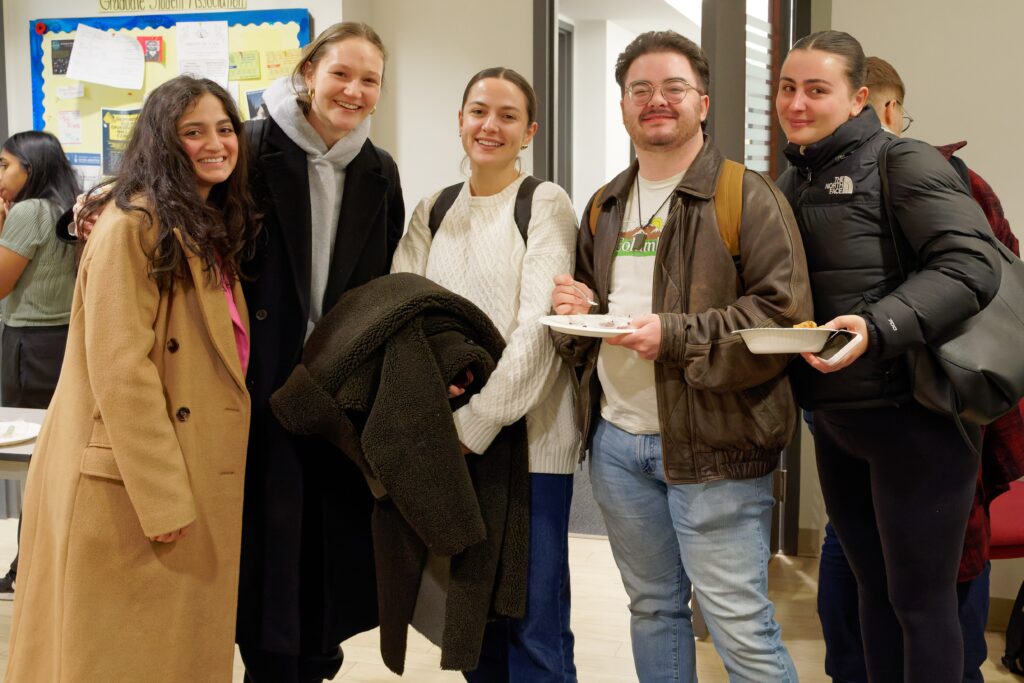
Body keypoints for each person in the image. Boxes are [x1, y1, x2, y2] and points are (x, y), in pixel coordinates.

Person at [551, 30, 811, 682]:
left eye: (672, 88)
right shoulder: (605, 204)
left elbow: (781, 319)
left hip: (717, 446)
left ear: (703, 101)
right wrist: (576, 311)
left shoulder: (746, 196)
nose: (655, 101)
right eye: (640, 90)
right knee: (653, 609)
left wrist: (676, 334)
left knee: (738, 623)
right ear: (623, 107)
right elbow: (589, 317)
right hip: (617, 445)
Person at [4, 75, 258, 682]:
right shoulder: (133, 225)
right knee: (123, 656)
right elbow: (122, 370)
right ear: (162, 141)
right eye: (193, 132)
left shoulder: (197, 221)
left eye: (225, 129)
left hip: (178, 473)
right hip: (138, 488)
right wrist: (164, 495)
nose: (215, 143)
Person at [775, 31, 1001, 682]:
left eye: (818, 88)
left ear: (858, 98)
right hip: (839, 422)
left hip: (918, 420)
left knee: (922, 604)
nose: (798, 101)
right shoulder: (794, 178)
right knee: (871, 595)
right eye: (789, 87)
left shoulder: (904, 161)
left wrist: (877, 325)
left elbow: (970, 267)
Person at [391, 66, 579, 682]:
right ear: (460, 119)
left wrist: (477, 419)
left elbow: (539, 328)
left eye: (505, 116)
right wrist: (431, 391)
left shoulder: (544, 203)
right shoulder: (432, 208)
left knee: (533, 624)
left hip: (529, 445)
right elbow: (402, 311)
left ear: (529, 130)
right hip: (451, 440)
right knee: (471, 616)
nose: (489, 126)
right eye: (478, 111)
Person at [235, 22, 405, 683]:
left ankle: (314, 661)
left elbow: (384, 278)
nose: (354, 90)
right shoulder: (250, 147)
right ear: (309, 71)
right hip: (256, 382)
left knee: (326, 550)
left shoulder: (377, 170)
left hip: (336, 390)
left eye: (370, 80)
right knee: (267, 550)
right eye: (342, 73)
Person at [0, 130, 79, 598]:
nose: (0, 176)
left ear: (31, 168)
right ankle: (36, 563)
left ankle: (25, 569)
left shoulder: (28, 212)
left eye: (5, 165)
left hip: (29, 347)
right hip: (64, 344)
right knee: (55, 458)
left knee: (31, 461)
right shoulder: (68, 207)